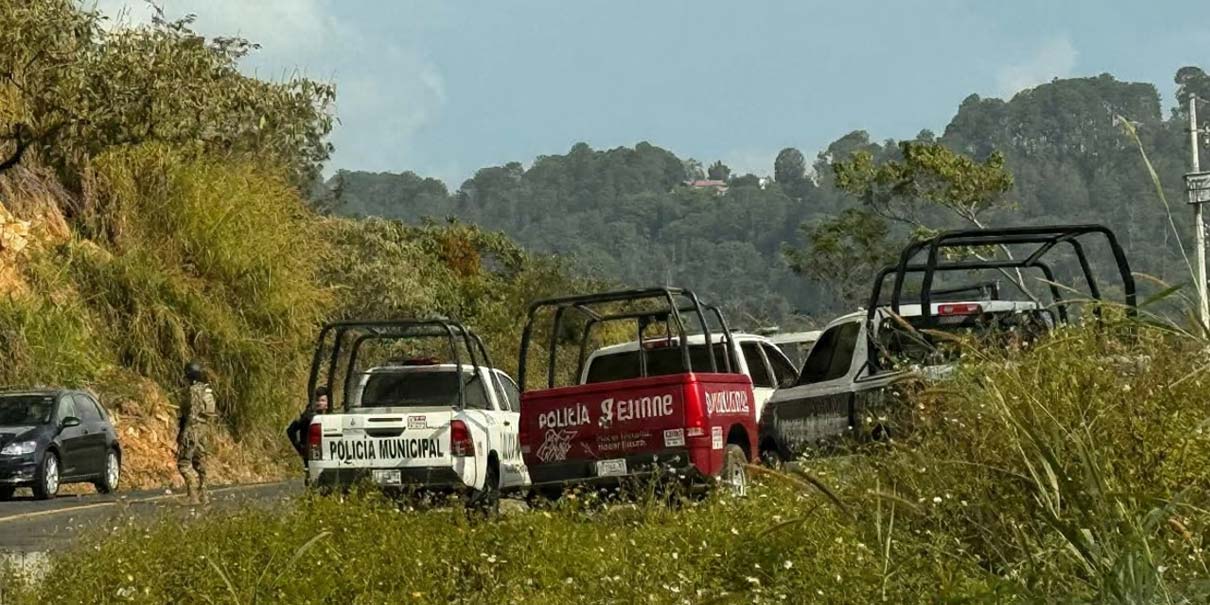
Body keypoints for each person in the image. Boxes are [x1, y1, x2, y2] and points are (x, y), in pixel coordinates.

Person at [177, 360, 217, 505]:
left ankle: (192, 495)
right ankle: (204, 494)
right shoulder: (207, 390)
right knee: (199, 462)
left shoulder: (193, 391)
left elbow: (192, 414)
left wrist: (184, 433)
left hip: (192, 430)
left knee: (184, 463)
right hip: (204, 431)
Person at [287, 386, 329, 467]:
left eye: (322, 400)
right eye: (317, 400)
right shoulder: (307, 416)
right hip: (313, 451)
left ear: (327, 403)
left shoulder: (331, 417)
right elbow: (291, 430)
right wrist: (300, 448)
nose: (319, 403)